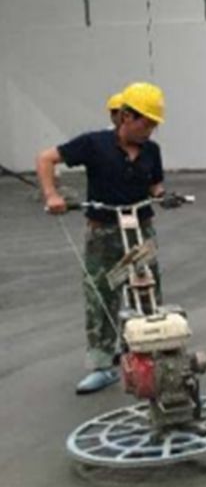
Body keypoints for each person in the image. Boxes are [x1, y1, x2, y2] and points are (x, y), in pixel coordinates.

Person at [36, 82, 167, 394]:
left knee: (147, 289)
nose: (149, 130)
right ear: (124, 117)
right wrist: (52, 194)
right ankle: (101, 364)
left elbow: (155, 183)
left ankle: (150, 353)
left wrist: (162, 194)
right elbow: (45, 159)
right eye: (144, 123)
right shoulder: (93, 145)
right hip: (103, 232)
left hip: (141, 230)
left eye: (153, 124)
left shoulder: (151, 151)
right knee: (100, 295)